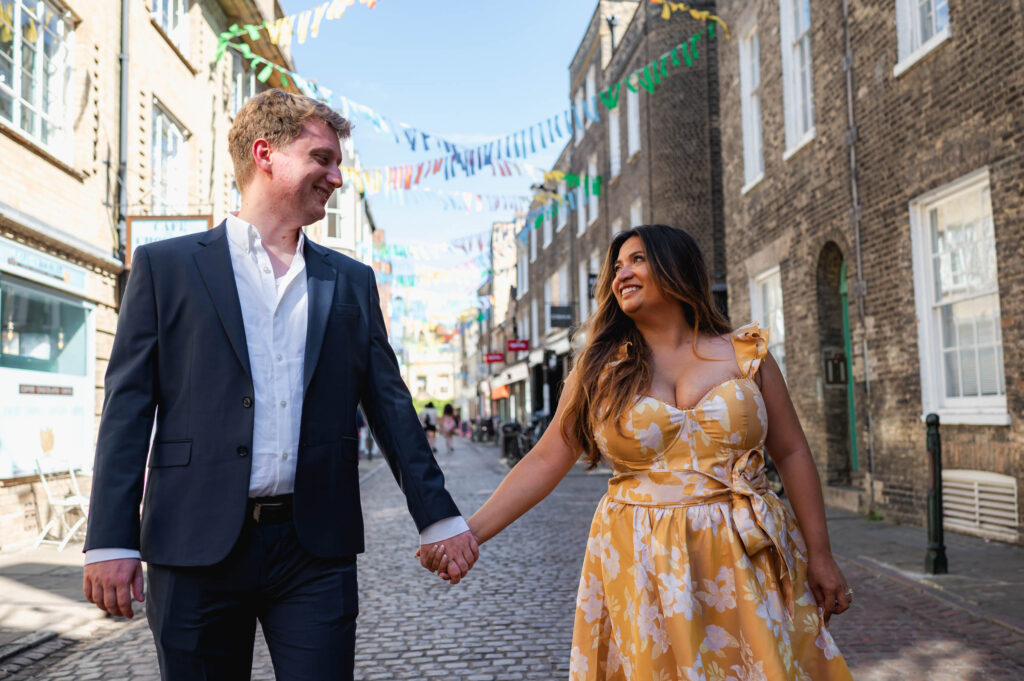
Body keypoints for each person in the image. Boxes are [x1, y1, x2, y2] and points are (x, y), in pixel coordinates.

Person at [81, 89, 478, 681]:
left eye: (338, 163)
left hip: (313, 548)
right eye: (322, 158)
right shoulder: (165, 268)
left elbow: (391, 406)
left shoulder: (349, 281)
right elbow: (127, 409)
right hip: (193, 545)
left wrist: (439, 517)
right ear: (266, 154)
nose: (337, 177)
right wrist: (111, 539)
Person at [427, 226, 854, 680]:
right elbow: (545, 459)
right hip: (644, 559)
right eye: (616, 267)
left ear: (677, 268)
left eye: (636, 260)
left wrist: (820, 554)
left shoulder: (748, 353)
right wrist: (468, 532)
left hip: (748, 554)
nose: (621, 274)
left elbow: (791, 452)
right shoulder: (597, 369)